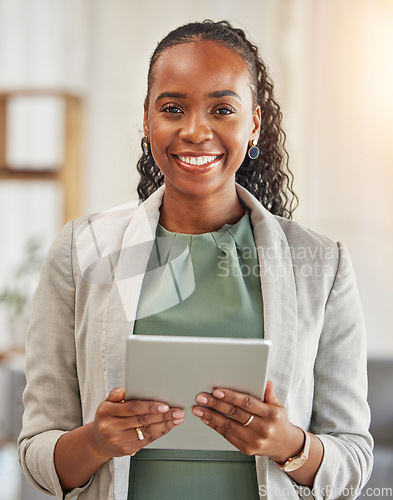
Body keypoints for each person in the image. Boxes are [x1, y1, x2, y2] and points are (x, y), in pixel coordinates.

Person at [18, 20, 373, 500]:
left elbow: (353, 461)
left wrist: (288, 445)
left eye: (222, 109)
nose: (195, 130)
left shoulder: (321, 265)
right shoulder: (82, 251)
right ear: (147, 120)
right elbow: (39, 454)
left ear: (254, 124)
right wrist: (97, 440)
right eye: (172, 108)